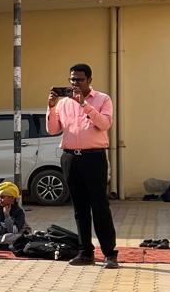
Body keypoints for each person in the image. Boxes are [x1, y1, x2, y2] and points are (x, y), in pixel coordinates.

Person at [47, 63, 118, 268]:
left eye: (79, 79)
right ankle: (85, 252)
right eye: (72, 80)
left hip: (93, 157)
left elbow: (104, 124)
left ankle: (110, 253)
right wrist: (51, 106)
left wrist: (84, 105)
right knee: (80, 208)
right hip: (70, 157)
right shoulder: (64, 103)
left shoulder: (102, 99)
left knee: (99, 206)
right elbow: (52, 129)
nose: (75, 83)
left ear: (89, 80)